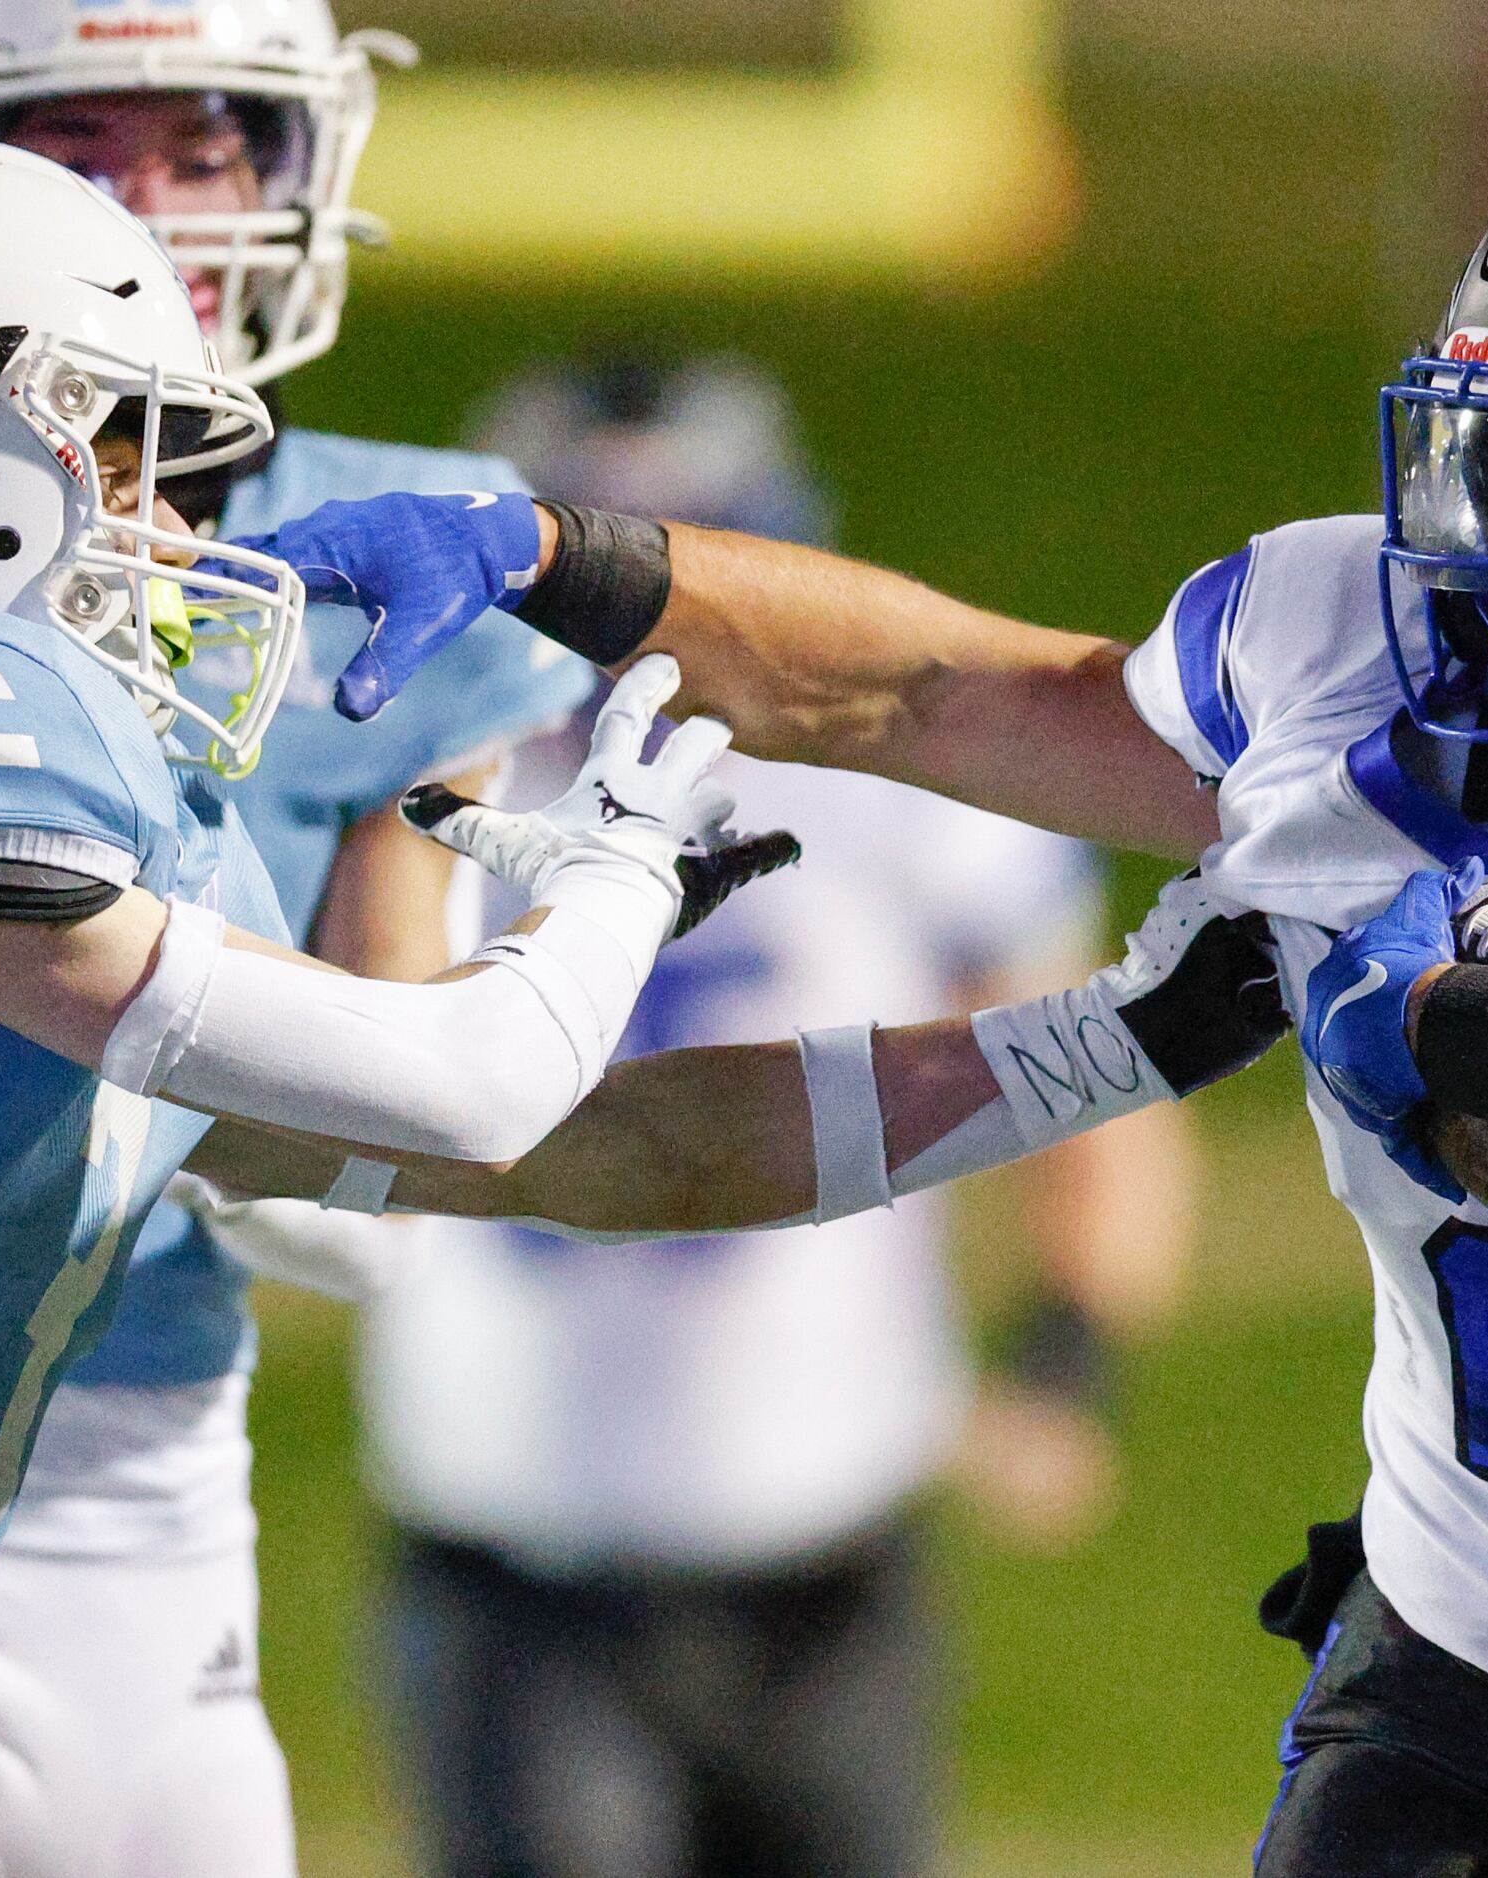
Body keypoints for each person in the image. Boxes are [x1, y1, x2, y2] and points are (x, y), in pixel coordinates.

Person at [200, 120, 1488, 1875]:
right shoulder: (1347, 669)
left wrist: (1430, 1022)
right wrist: (561, 557)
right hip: (1459, 1665)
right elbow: (931, 690)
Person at [0, 133, 783, 1877]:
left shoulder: (53, 767)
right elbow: (474, 1088)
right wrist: (622, 873)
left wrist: (1104, 1045)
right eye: (111, 447)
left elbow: (401, 1147)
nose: (170, 521)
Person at [356, 354, 1197, 1878]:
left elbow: (1096, 1071)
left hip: (824, 1535)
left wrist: (1069, 1342)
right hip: (519, 1543)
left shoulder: (881, 783)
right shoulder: (405, 773)